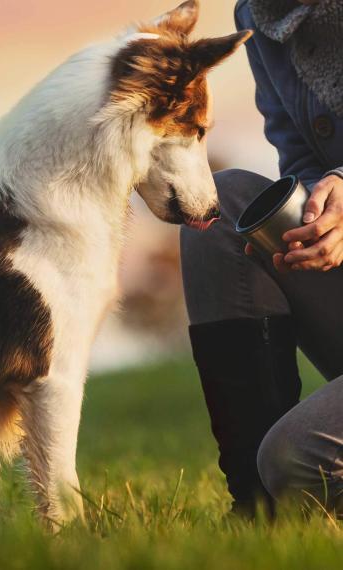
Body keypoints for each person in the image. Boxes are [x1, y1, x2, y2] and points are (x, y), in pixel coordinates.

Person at [181, 0, 343, 516]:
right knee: (224, 205)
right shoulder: (256, 16)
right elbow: (299, 159)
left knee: (295, 461)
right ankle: (257, 512)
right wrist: (317, 217)